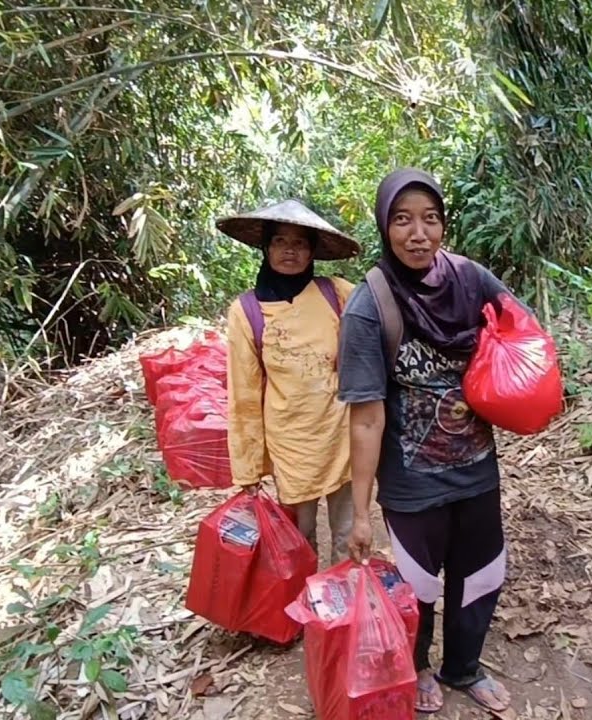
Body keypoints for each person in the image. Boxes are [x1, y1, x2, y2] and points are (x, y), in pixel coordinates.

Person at [336, 168, 519, 715]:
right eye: (402, 219)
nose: (418, 233)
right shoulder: (370, 306)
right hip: (411, 481)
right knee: (418, 586)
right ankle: (415, 668)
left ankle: (464, 666)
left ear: (444, 225)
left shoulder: (471, 279)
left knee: (482, 574)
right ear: (384, 226)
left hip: (476, 469)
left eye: (430, 219)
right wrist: (362, 512)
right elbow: (366, 418)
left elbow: (521, 330)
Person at [217, 199, 361, 562]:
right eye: (280, 241)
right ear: (266, 248)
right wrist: (248, 468)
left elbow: (374, 334)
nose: (290, 250)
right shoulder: (247, 311)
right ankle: (302, 612)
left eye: (299, 243)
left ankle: (343, 611)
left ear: (313, 250)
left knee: (347, 535)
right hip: (291, 445)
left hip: (341, 436)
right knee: (298, 539)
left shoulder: (337, 293)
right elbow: (244, 394)